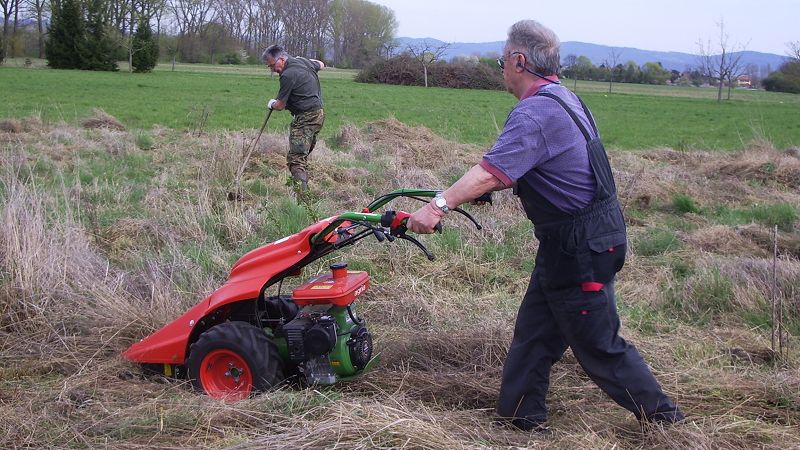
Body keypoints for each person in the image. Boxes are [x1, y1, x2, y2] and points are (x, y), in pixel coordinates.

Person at [408, 20, 684, 431]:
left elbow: (489, 172)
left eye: (503, 61)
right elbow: (542, 167)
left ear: (519, 61)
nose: (502, 69)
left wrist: (438, 206)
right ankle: (519, 418)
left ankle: (669, 422)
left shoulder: (536, 111)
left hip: (579, 247)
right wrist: (492, 187)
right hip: (579, 240)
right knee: (535, 334)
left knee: (599, 345)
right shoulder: (565, 98)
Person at [262, 44, 326, 189]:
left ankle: (303, 198)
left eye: (272, 65)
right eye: (269, 67)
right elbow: (321, 64)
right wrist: (305, 60)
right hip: (319, 115)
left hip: (306, 117)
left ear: (282, 59)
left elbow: (280, 105)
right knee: (302, 155)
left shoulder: (287, 75)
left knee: (296, 160)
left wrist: (271, 104)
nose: (273, 70)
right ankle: (304, 189)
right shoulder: (303, 62)